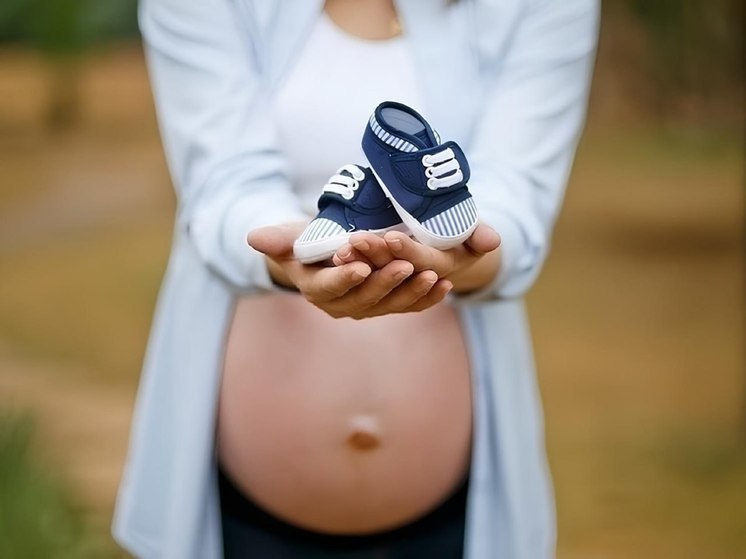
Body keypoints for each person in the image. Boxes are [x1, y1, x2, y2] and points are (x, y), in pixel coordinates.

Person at [112, 0, 599, 558]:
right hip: (241, 510)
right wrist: (287, 257)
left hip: (455, 516)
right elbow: (222, 184)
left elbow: (518, 196)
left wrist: (469, 256)